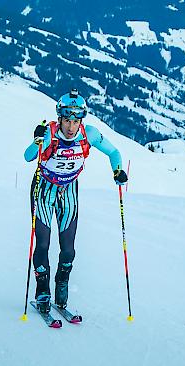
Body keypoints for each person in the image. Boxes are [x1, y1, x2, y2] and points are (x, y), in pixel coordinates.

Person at [24, 89, 128, 313]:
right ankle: (42, 290)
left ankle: (62, 284)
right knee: (43, 243)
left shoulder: (88, 134)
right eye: (67, 121)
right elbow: (28, 156)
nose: (71, 127)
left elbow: (114, 152)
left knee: (68, 249)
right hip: (44, 188)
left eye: (76, 121)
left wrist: (117, 171)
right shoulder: (50, 133)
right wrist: (37, 141)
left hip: (69, 189)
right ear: (59, 118)